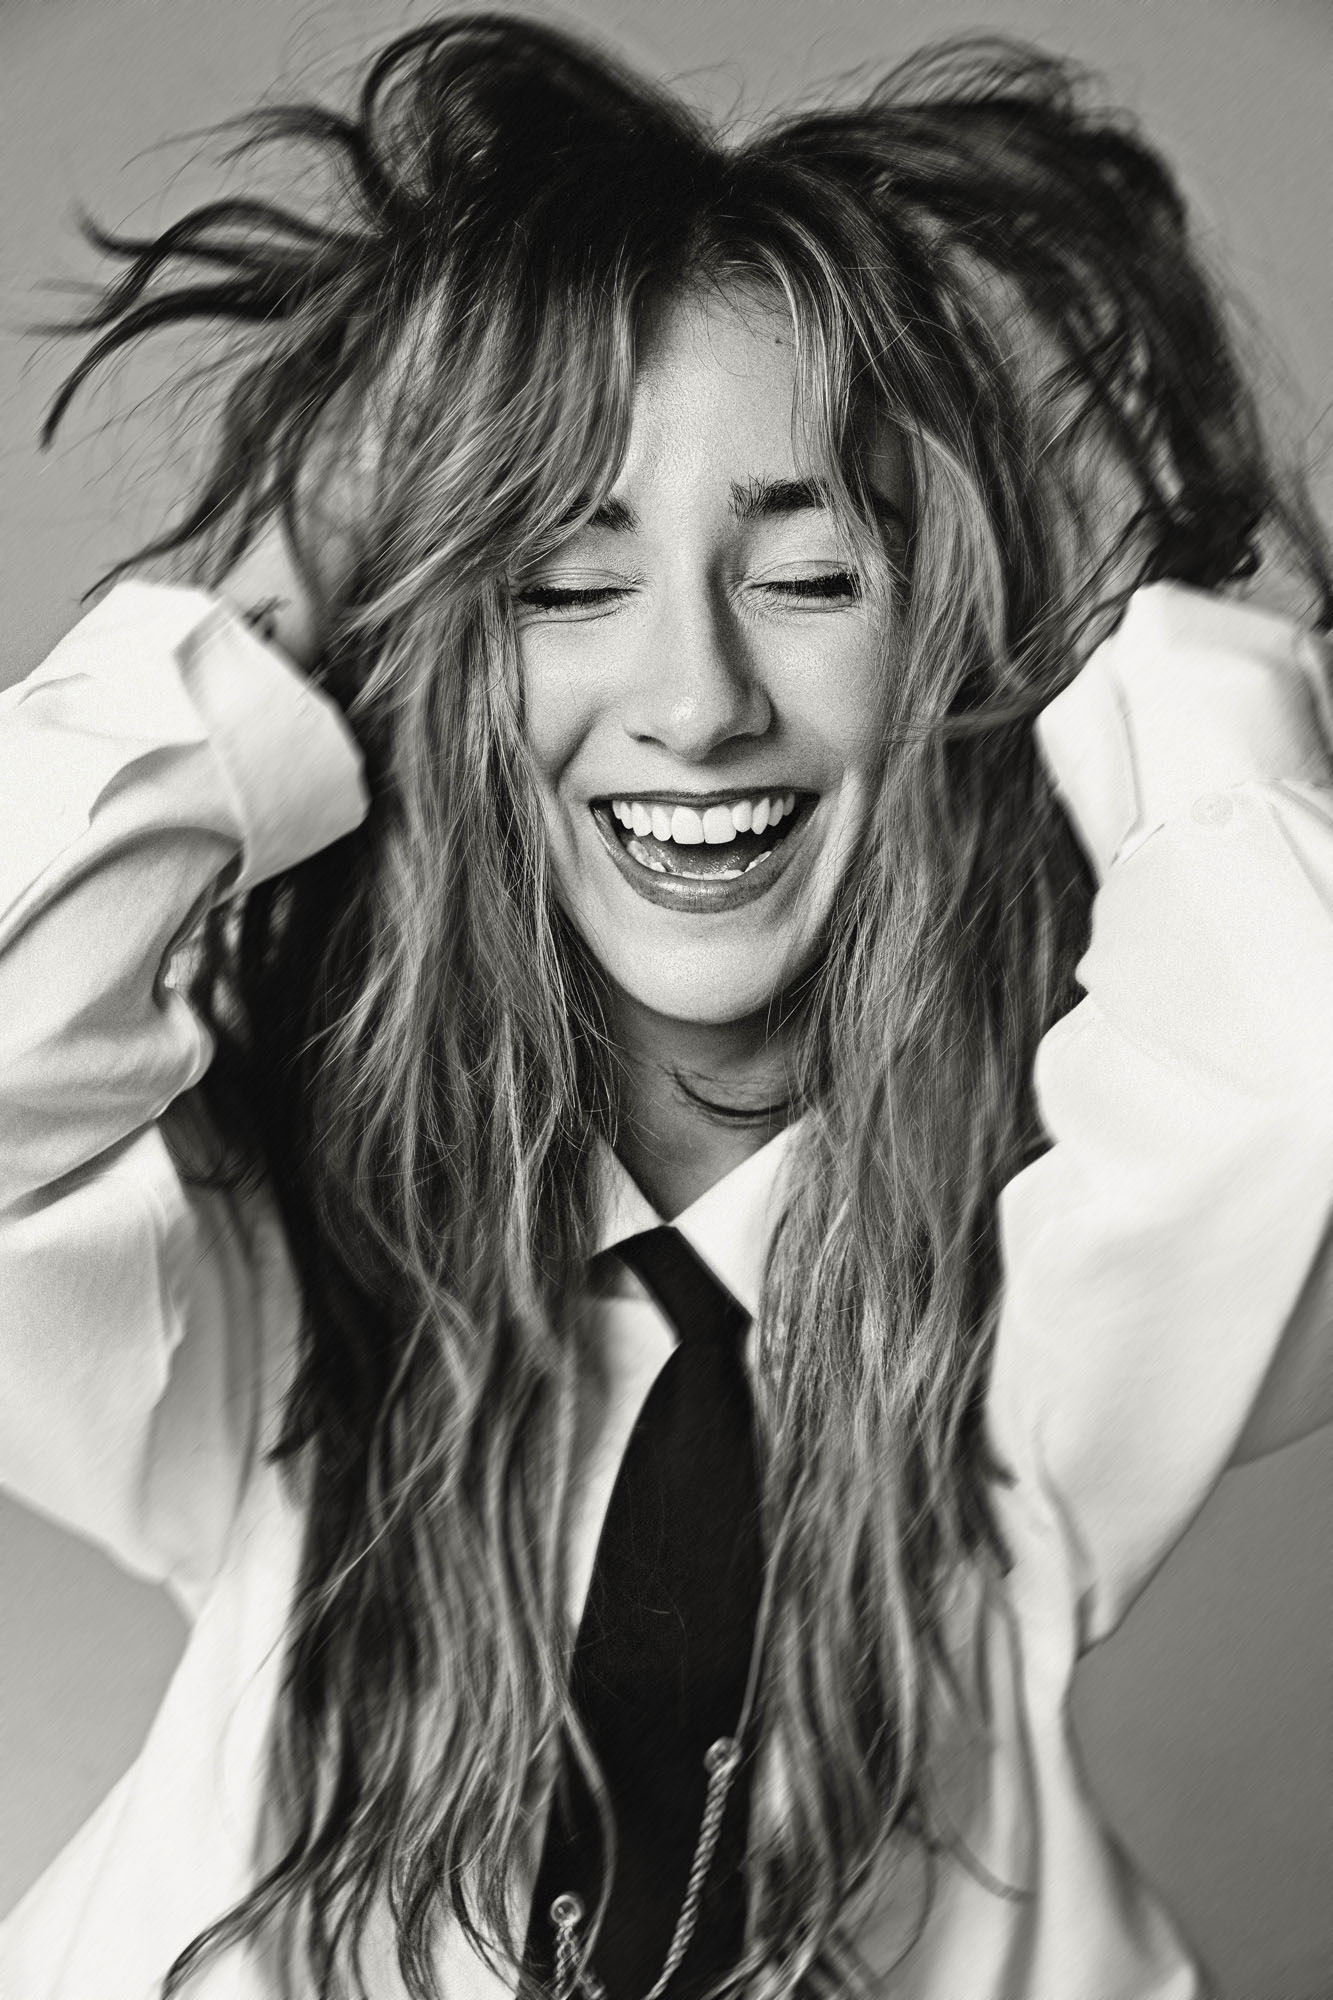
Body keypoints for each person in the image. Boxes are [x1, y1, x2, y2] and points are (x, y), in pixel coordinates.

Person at [1, 15, 1330, 2000]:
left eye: (807, 577)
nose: (696, 696)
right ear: (435, 656)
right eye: (561, 576)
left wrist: (1115, 546)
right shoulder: (277, 1318)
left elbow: (1299, 1082)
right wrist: (291, 577)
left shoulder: (1038, 1338)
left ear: (950, 649)